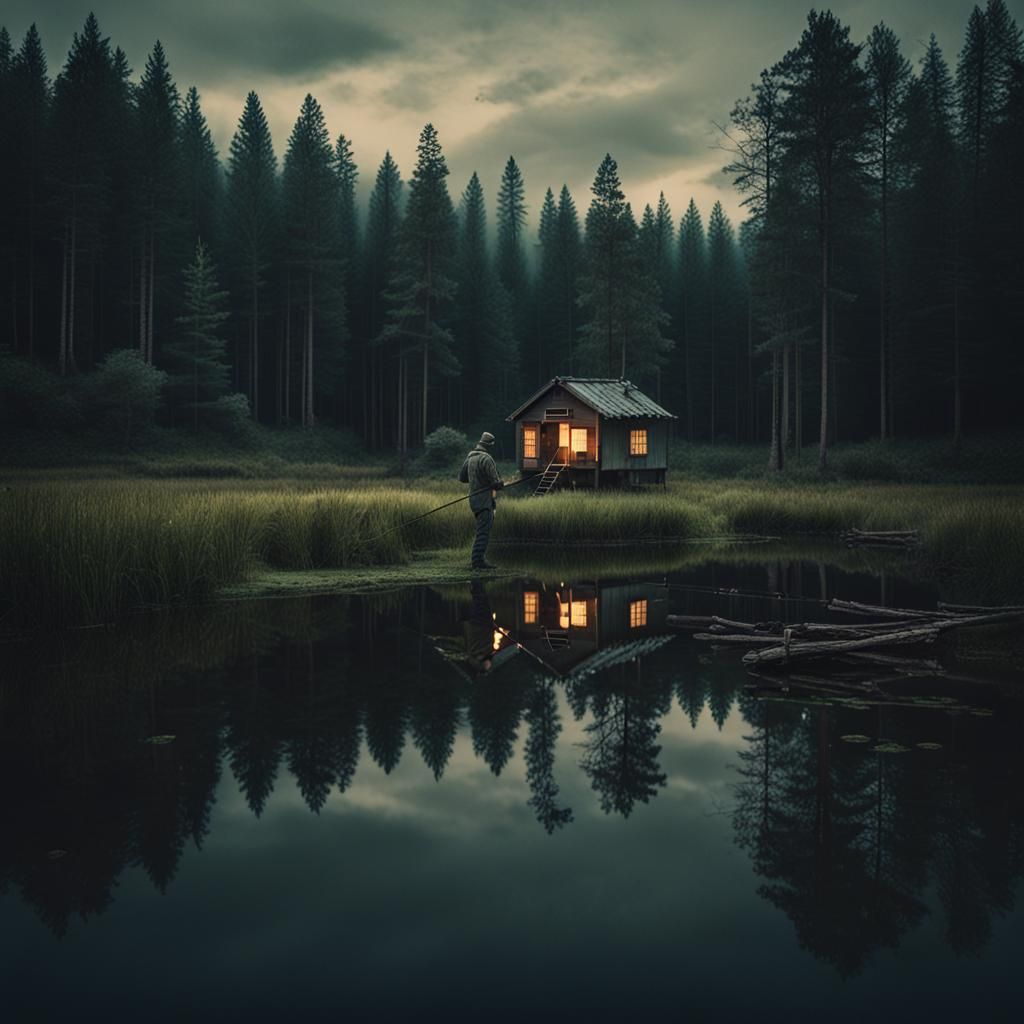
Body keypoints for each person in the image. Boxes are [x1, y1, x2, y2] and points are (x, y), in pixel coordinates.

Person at [458, 430, 504, 570]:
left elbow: (462, 478)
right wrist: (500, 484)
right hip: (484, 501)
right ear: (489, 445)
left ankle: (478, 559)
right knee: (483, 532)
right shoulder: (486, 459)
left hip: (473, 500)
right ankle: (478, 561)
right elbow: (495, 483)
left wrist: (476, 479)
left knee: (481, 529)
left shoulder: (470, 457)